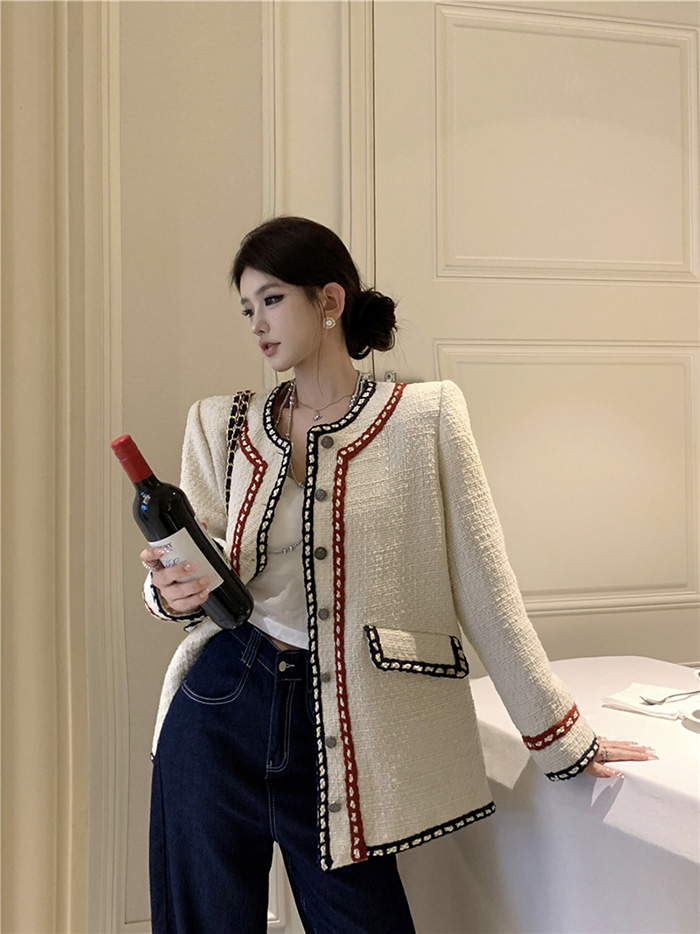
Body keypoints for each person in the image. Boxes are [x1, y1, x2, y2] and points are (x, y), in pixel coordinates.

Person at [140, 216, 657, 934]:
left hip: (347, 723)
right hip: (220, 703)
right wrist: (167, 591)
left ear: (329, 299)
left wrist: (563, 736)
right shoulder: (217, 424)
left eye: (272, 300)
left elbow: (486, 589)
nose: (256, 323)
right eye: (247, 307)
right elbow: (194, 566)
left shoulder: (425, 418)